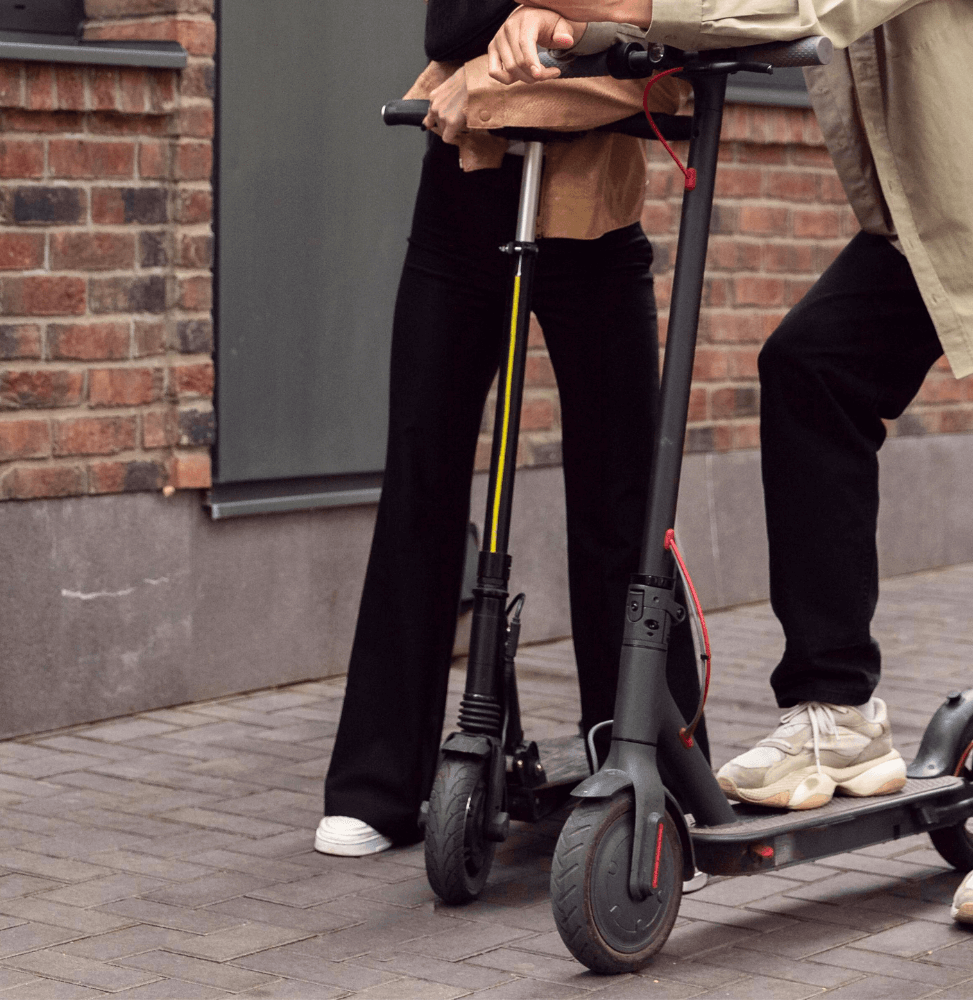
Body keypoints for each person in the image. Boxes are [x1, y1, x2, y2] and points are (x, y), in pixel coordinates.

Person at [489, 0, 973, 932]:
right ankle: (836, 711)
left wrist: (595, 3)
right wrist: (563, 26)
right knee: (811, 367)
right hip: (968, 199)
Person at [315, 1, 697, 859]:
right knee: (423, 470)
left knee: (622, 494)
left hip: (596, 217)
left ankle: (652, 779)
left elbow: (668, 38)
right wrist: (550, 16)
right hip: (464, 203)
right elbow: (450, 29)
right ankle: (380, 783)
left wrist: (533, 25)